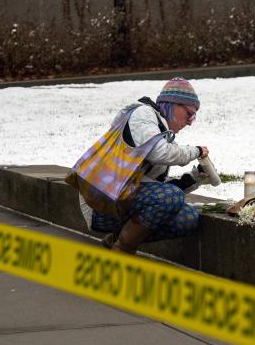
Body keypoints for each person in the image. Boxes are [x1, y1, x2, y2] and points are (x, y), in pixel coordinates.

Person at [79, 77, 210, 253]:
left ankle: (116, 239)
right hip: (99, 203)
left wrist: (193, 178)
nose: (190, 121)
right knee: (171, 196)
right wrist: (197, 151)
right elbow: (160, 153)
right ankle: (122, 251)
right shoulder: (143, 115)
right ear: (173, 104)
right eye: (190, 114)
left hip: (124, 201)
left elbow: (155, 188)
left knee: (188, 219)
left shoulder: (160, 134)